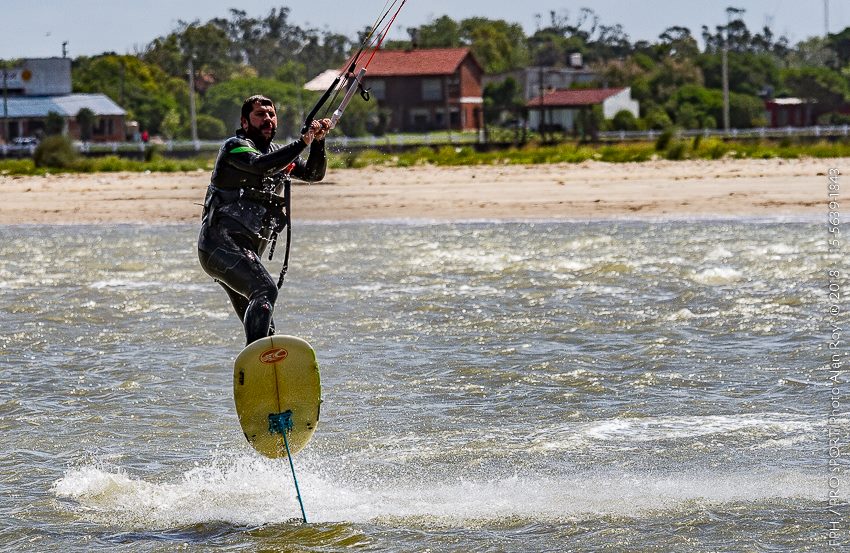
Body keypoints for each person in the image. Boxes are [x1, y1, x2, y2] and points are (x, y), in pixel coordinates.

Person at [198, 94, 331, 345]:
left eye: (271, 114)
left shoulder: (280, 154)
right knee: (265, 290)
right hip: (218, 245)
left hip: (245, 251)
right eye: (260, 114)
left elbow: (314, 174)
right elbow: (261, 166)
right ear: (245, 122)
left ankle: (262, 369)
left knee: (263, 319)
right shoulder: (234, 147)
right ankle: (260, 361)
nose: (267, 119)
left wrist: (318, 142)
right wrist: (302, 142)